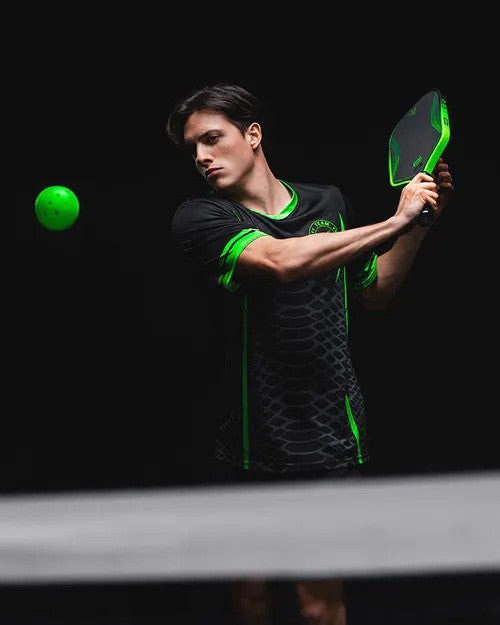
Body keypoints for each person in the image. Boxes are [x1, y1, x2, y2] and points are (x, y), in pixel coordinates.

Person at [165, 83, 454, 625]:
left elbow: (375, 292)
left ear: (253, 135)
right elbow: (280, 261)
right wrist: (394, 221)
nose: (201, 156)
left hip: (327, 438)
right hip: (246, 441)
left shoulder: (330, 204)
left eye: (212, 138)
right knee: (250, 597)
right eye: (193, 148)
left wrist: (417, 228)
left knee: (320, 606)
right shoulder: (201, 218)